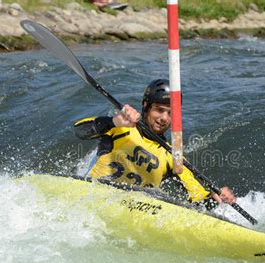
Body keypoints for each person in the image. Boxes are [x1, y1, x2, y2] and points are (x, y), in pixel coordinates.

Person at [74, 79, 237, 210]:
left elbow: (198, 200)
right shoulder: (121, 128)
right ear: (145, 106)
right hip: (93, 197)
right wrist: (114, 121)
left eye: (170, 113)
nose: (164, 118)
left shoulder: (171, 156)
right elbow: (80, 131)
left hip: (131, 210)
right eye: (159, 110)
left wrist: (215, 198)